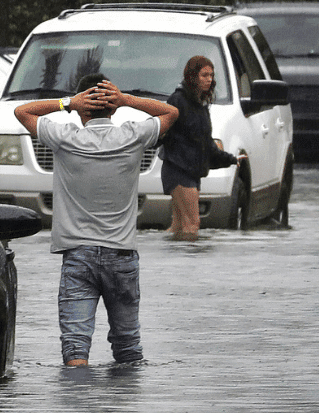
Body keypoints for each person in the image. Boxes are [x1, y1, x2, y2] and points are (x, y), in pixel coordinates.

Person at [14, 73, 178, 367]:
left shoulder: (65, 138)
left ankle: (77, 408)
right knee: (128, 347)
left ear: (81, 108)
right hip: (122, 256)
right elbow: (171, 112)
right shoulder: (132, 135)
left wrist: (67, 103)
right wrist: (126, 99)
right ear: (113, 108)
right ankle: (125, 410)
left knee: (75, 347)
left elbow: (21, 111)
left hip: (78, 258)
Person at [159, 55, 240, 241]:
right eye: (204, 75)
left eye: (211, 75)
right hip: (178, 170)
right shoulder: (178, 101)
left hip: (191, 171)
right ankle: (189, 266)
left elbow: (205, 143)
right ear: (192, 77)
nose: (209, 79)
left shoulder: (200, 105)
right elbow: (161, 130)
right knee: (192, 224)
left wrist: (230, 159)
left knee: (179, 226)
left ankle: (170, 261)